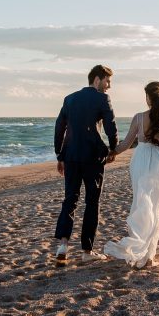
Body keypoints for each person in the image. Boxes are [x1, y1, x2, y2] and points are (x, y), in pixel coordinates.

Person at [103, 81, 159, 268]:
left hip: (140, 160)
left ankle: (141, 248)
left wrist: (111, 153)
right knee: (155, 205)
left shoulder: (139, 117)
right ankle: (149, 255)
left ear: (149, 98)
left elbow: (126, 143)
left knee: (141, 201)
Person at [53, 65, 119, 265]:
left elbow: (59, 127)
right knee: (92, 202)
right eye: (107, 81)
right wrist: (113, 148)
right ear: (97, 79)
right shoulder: (102, 99)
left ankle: (63, 246)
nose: (109, 86)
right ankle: (87, 251)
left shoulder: (70, 99)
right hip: (93, 158)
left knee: (70, 199)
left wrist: (60, 155)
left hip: (71, 156)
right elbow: (110, 126)